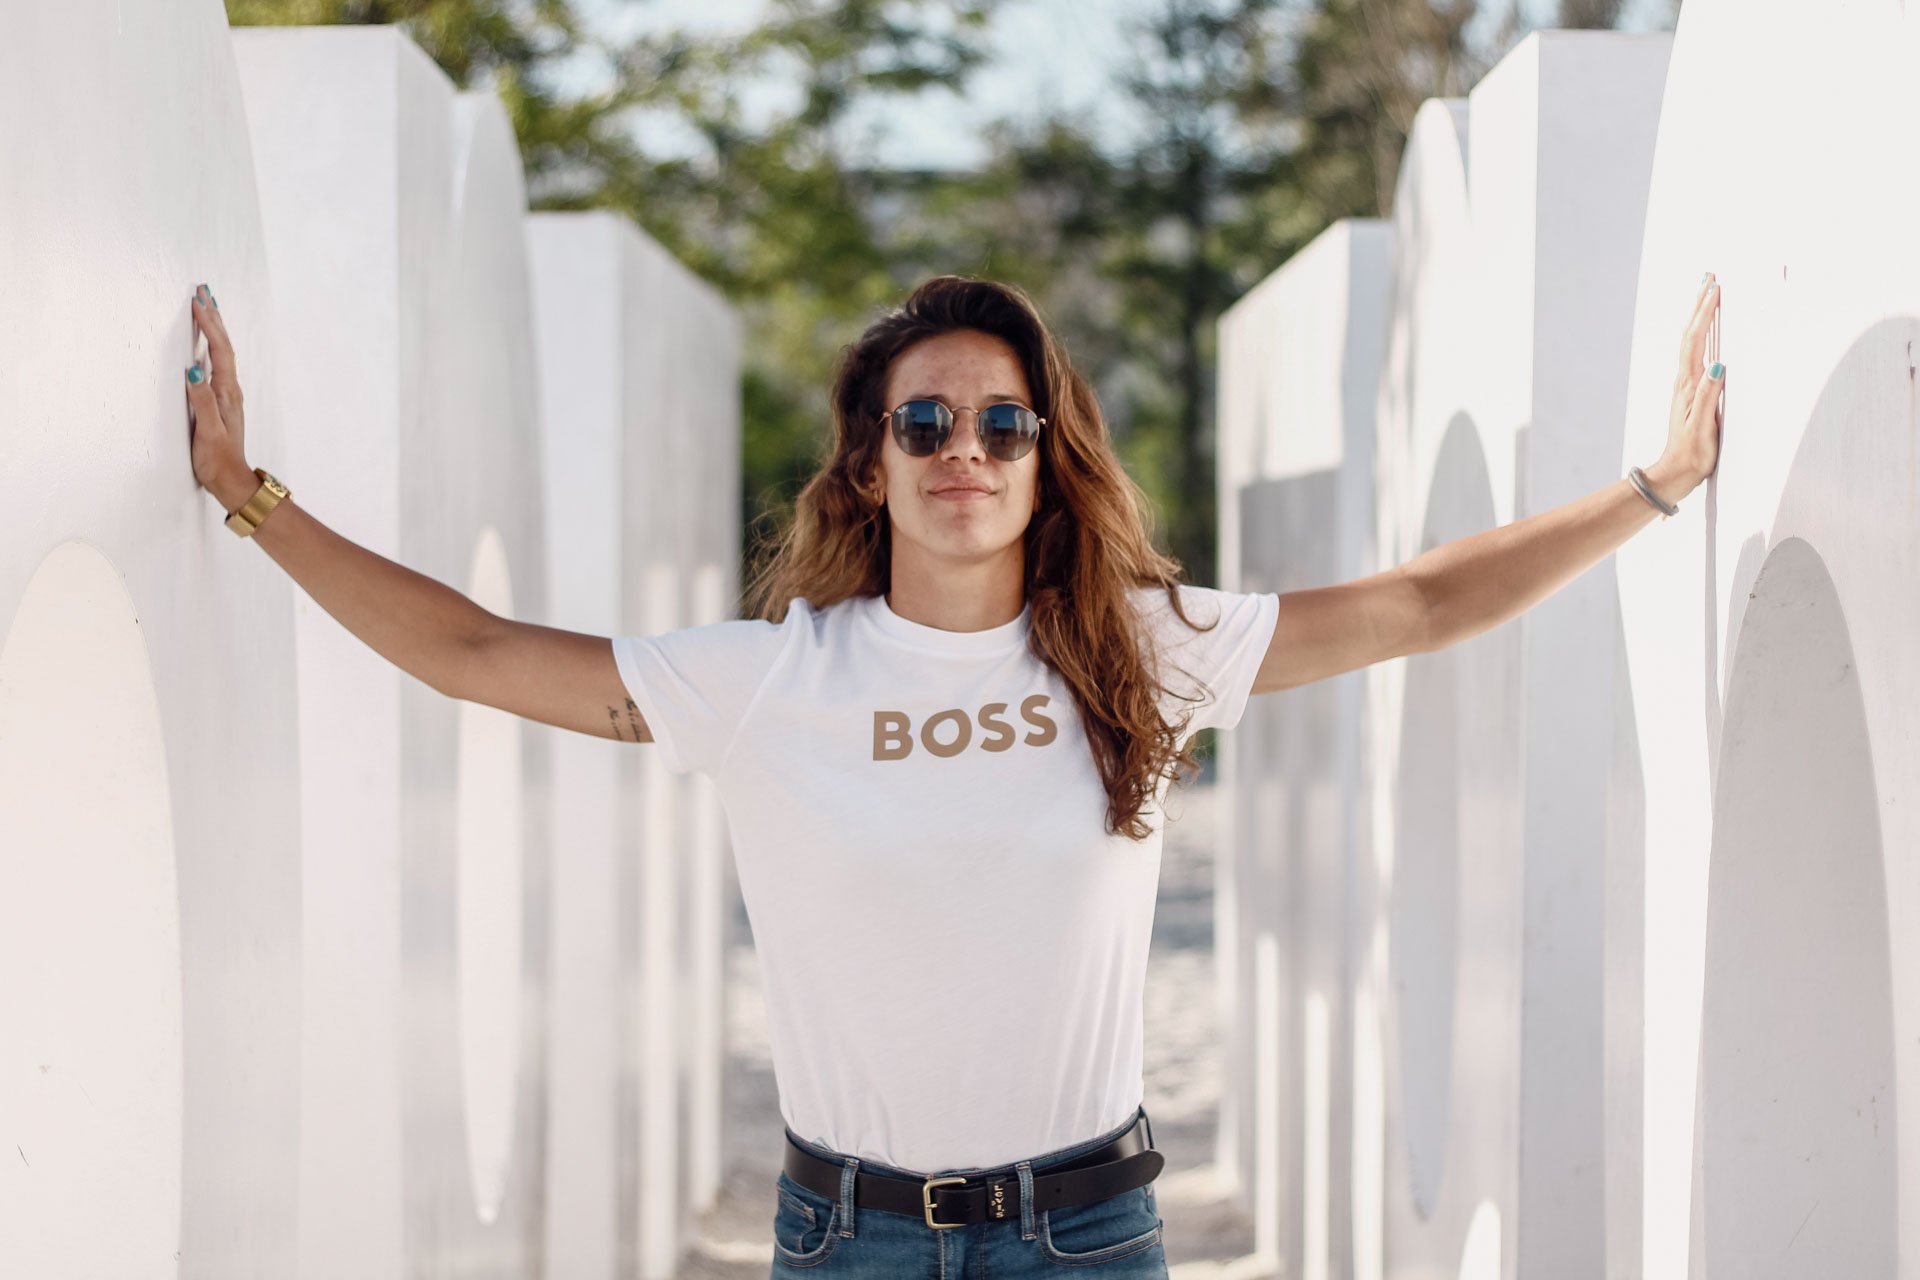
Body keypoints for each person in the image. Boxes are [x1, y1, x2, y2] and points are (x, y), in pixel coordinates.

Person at [182, 271, 1724, 1277]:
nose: (963, 449)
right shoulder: (773, 679)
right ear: (870, 459)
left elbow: (1420, 602)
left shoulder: (1145, 651)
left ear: (1049, 457)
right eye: (923, 420)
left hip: (1087, 1233)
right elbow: (471, 649)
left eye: (1003, 421)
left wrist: (1653, 483)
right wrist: (250, 497)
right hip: (840, 1232)